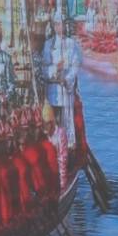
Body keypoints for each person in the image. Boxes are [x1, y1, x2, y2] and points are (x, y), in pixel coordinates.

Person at [42, 15, 83, 145]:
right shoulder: (48, 44)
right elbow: (44, 69)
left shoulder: (71, 44)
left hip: (65, 90)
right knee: (53, 122)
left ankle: (67, 147)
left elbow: (75, 66)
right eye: (58, 24)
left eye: (63, 24)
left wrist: (67, 79)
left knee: (66, 123)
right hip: (53, 91)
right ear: (54, 26)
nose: (61, 27)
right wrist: (55, 68)